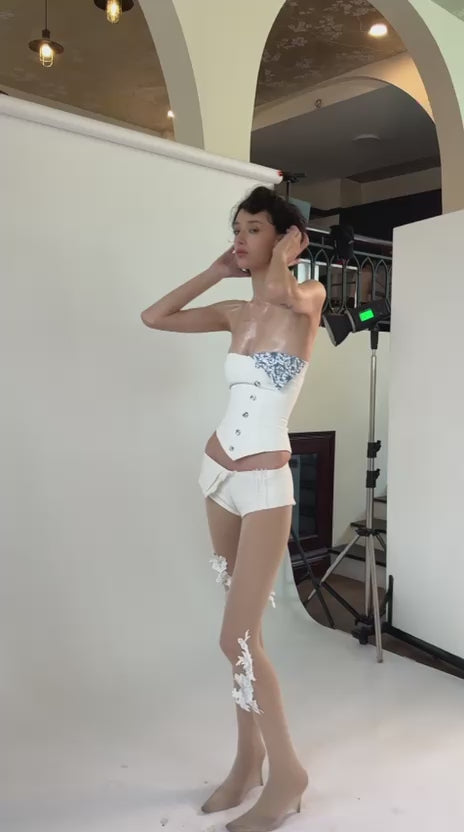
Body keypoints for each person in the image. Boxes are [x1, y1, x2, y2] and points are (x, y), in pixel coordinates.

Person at [141, 186, 326, 832]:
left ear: (286, 238)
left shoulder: (307, 299)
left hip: (265, 485)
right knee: (243, 639)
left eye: (254, 229)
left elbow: (280, 292)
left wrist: (283, 261)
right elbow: (154, 316)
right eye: (237, 229)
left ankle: (288, 774)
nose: (241, 239)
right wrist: (217, 270)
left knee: (235, 637)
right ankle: (248, 760)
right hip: (217, 474)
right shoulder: (233, 312)